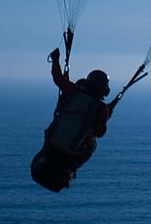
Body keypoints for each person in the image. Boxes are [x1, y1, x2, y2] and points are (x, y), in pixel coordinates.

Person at [30, 48, 112, 192]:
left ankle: (55, 165)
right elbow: (99, 132)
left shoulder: (73, 91)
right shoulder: (101, 109)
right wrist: (104, 120)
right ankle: (69, 169)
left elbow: (58, 79)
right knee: (92, 145)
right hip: (72, 152)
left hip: (52, 142)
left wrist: (55, 60)